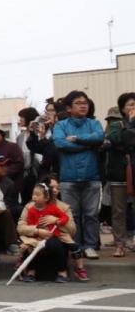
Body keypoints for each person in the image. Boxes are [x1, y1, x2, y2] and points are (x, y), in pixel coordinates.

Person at [53, 90, 105, 260]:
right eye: (78, 103)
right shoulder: (61, 125)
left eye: (85, 102)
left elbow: (99, 136)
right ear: (68, 108)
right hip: (68, 177)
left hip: (92, 176)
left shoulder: (94, 123)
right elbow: (60, 143)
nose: (83, 105)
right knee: (71, 215)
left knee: (91, 214)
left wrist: (76, 139)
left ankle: (90, 245)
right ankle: (75, 246)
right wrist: (88, 143)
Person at [16, 182, 73, 282]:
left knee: (55, 244)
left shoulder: (62, 207)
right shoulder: (30, 208)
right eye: (52, 187)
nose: (54, 190)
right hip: (37, 237)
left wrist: (55, 220)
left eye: (57, 187)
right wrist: (37, 231)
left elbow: (72, 229)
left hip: (55, 236)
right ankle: (30, 272)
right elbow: (21, 227)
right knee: (29, 244)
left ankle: (62, 272)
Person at [103, 97, 135, 256]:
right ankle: (120, 243)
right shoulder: (116, 125)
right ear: (123, 108)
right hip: (119, 173)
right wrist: (130, 124)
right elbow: (116, 139)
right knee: (119, 211)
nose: (133, 107)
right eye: (130, 104)